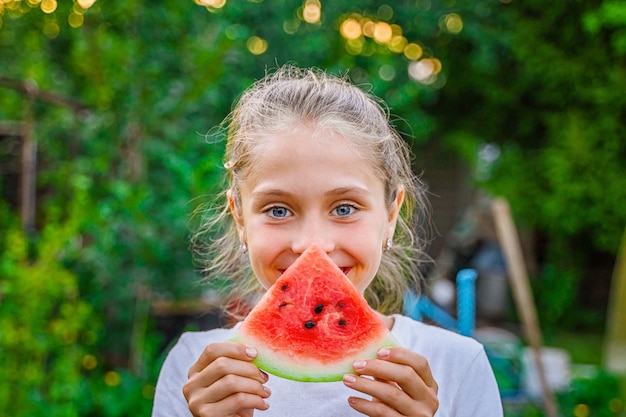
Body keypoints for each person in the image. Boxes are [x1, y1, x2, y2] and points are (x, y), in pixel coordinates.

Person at [152, 65, 503, 417]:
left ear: (391, 215)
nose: (312, 244)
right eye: (278, 210)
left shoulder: (458, 367)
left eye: (345, 208)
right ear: (240, 218)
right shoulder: (196, 372)